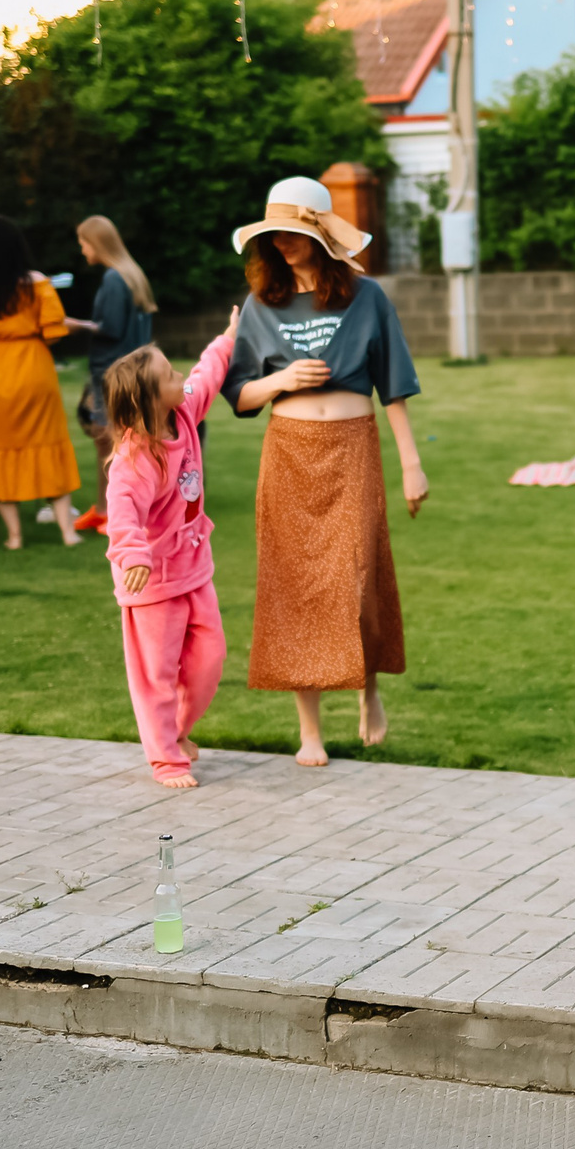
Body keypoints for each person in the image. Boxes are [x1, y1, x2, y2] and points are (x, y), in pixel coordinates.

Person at [224, 177, 428, 766]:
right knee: (295, 589)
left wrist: (412, 465)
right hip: (288, 452)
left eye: (291, 232)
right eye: (273, 235)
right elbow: (238, 393)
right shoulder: (263, 304)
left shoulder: (367, 297)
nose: (282, 243)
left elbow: (395, 385)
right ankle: (308, 731)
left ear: (319, 231)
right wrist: (281, 380)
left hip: (352, 448)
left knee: (359, 580)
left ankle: (369, 690)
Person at [102, 313, 240, 788]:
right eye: (169, 375)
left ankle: (177, 732)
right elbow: (121, 514)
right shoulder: (134, 459)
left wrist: (226, 339)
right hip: (152, 581)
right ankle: (166, 760)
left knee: (210, 658)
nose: (179, 376)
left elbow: (204, 376)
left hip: (193, 567)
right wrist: (134, 555)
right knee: (156, 676)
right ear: (147, 399)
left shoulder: (183, 413)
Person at [0, 214, 81, 549]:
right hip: (31, 370)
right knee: (47, 445)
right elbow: (53, 332)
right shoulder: (36, 283)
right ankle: (67, 532)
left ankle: (15, 536)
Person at [68, 215, 159, 534]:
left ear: (97, 243)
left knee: (112, 445)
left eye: (84, 243)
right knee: (118, 443)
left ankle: (117, 515)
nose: (82, 250)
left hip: (110, 375)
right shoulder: (132, 275)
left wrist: (73, 324)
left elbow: (110, 329)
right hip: (131, 372)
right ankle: (105, 508)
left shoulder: (113, 279)